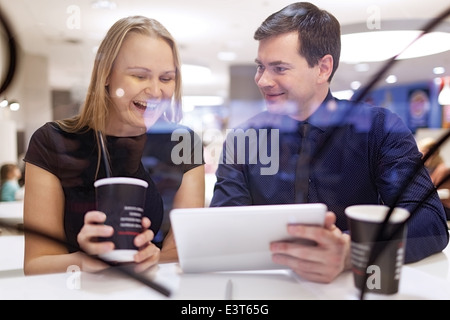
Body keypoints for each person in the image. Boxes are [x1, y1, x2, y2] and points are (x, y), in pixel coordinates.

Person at [210, 2, 449, 284]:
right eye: (260, 67)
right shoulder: (243, 139)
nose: (262, 80)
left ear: (323, 68)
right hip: (269, 289)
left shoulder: (380, 129)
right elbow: (221, 230)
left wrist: (352, 251)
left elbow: (430, 221)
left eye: (279, 68)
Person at [23, 15, 204, 275]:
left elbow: (181, 253)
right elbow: (36, 264)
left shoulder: (182, 144)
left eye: (166, 78)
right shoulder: (52, 142)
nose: (155, 91)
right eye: (140, 76)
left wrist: (154, 257)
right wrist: (85, 260)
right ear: (106, 75)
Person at [417, 137, 450, 219]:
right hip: (433, 207)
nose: (420, 155)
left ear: (433, 153)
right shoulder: (425, 170)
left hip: (444, 208)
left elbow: (446, 193)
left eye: (423, 151)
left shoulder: (443, 170)